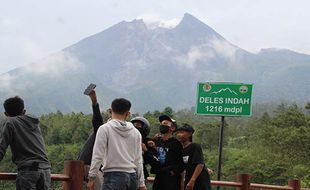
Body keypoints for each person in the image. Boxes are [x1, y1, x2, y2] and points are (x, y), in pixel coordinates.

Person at [87, 98, 147, 190]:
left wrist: (92, 177)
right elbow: (138, 160)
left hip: (113, 177)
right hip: (132, 178)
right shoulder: (136, 133)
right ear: (128, 114)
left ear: (110, 111)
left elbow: (97, 155)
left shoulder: (105, 129)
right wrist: (141, 183)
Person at [0, 96, 51, 190]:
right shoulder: (34, 123)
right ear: (24, 111)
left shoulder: (10, 122)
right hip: (46, 169)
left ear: (6, 114)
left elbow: (1, 148)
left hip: (29, 169)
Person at [145, 114, 184, 190]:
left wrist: (173, 172)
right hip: (159, 177)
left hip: (172, 180)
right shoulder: (157, 141)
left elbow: (182, 162)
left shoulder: (177, 144)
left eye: (165, 124)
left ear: (172, 128)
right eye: (161, 124)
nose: (162, 125)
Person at [77, 89, 104, 190]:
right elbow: (98, 118)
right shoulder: (101, 130)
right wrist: (94, 101)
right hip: (90, 165)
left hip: (85, 164)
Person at [176, 124, 212, 190]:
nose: (178, 135)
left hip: (199, 182)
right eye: (177, 133)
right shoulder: (181, 150)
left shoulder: (195, 147)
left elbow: (200, 164)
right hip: (189, 180)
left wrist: (192, 181)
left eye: (181, 132)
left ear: (189, 134)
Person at [130, 116, 151, 181]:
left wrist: (146, 150)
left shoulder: (149, 143)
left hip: (141, 175)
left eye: (138, 125)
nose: (135, 127)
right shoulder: (125, 141)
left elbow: (153, 162)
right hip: (127, 173)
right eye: (133, 125)